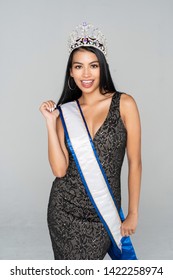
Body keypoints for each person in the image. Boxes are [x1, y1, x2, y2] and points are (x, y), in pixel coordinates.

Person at [39, 22, 142, 260]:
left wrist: (133, 213)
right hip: (64, 211)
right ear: (71, 73)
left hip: (102, 211)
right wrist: (49, 123)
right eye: (79, 67)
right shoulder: (65, 112)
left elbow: (135, 163)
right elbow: (59, 170)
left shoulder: (125, 104)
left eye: (93, 66)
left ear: (102, 68)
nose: (86, 74)